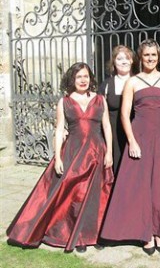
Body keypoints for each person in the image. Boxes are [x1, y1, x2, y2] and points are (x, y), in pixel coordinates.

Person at [7, 62, 114, 253]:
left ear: (91, 79)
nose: (83, 80)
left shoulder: (100, 100)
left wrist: (110, 153)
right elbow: (58, 130)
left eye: (86, 76)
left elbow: (106, 127)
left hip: (97, 151)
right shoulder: (64, 102)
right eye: (79, 76)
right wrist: (57, 157)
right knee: (76, 194)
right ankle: (79, 236)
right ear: (72, 79)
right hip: (73, 152)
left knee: (97, 195)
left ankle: (95, 234)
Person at [100, 39, 160, 255]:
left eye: (154, 55)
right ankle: (145, 234)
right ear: (141, 57)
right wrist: (132, 141)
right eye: (146, 55)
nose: (150, 58)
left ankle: (159, 231)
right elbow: (124, 114)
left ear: (159, 56)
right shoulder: (133, 82)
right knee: (139, 186)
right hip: (140, 137)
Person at [99, 45, 138, 175]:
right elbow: (97, 111)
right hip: (113, 135)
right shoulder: (106, 85)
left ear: (132, 60)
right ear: (113, 62)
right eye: (119, 58)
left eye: (127, 58)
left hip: (135, 133)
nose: (124, 61)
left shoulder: (139, 82)